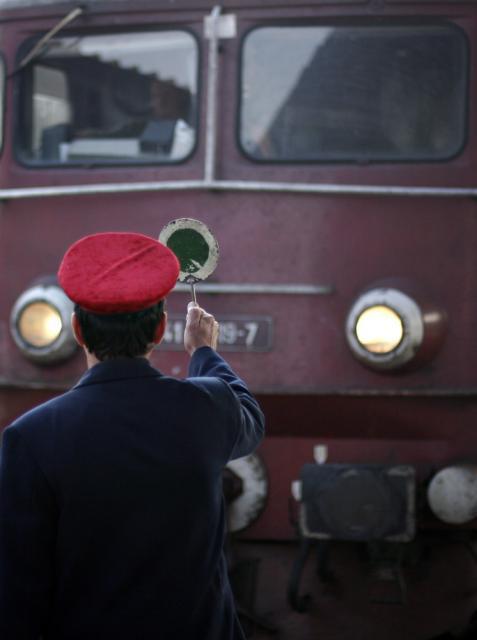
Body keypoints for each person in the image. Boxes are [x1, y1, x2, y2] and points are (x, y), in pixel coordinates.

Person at [0, 231, 265, 640]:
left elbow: (18, 590)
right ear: (160, 330)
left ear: (78, 330)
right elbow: (248, 413)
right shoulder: (206, 408)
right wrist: (204, 354)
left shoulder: (29, 438)